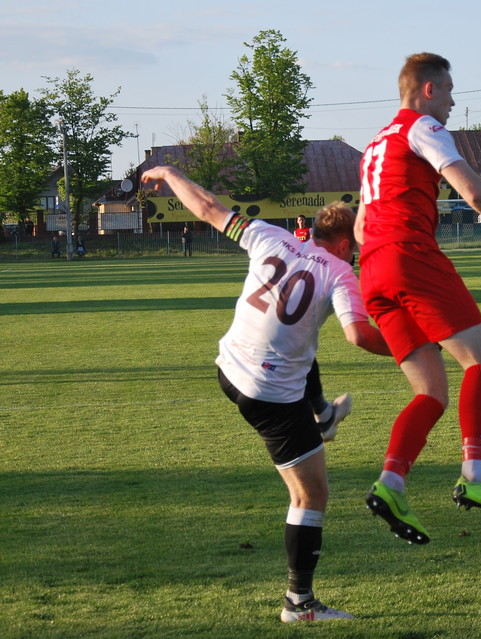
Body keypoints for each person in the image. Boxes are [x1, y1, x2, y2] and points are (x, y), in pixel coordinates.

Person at [140, 165, 391, 623]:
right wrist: (412, 346)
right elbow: (359, 336)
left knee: (301, 343)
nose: (358, 254)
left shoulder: (272, 237)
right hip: (268, 394)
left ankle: (322, 413)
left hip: (228, 367)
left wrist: (170, 173)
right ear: (343, 243)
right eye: (357, 245)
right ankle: (300, 604)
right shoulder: (339, 271)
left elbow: (208, 206)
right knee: (310, 495)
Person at [354, 52, 481, 545]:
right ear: (428, 90)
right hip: (409, 256)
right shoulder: (422, 128)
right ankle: (477, 477)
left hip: (373, 271)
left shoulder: (374, 145)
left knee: (431, 392)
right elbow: (473, 192)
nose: (455, 103)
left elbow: (358, 226)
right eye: (451, 91)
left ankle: (392, 483)